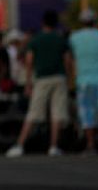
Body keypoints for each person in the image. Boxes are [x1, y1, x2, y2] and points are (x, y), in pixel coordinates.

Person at [6, 10, 71, 158]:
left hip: (41, 79)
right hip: (59, 78)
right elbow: (68, 60)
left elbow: (29, 61)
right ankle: (54, 146)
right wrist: (67, 78)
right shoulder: (60, 39)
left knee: (34, 112)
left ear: (43, 23)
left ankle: (19, 145)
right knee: (57, 113)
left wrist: (28, 82)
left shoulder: (36, 40)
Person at [68, 9, 98, 155]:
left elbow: (71, 58)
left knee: (86, 113)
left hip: (83, 80)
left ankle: (90, 144)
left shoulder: (74, 37)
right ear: (94, 21)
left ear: (81, 22)